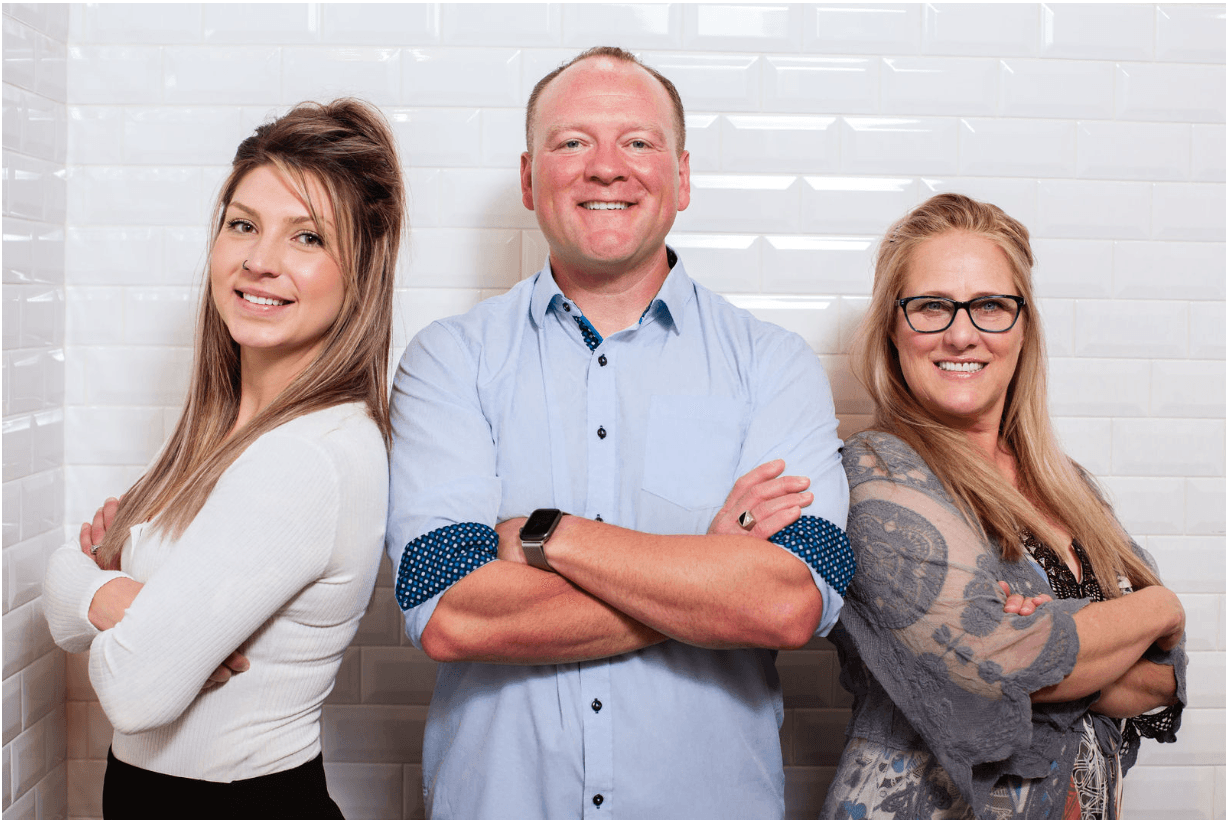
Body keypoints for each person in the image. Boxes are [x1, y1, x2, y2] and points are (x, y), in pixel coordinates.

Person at [386, 46, 854, 819]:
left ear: (683, 176)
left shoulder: (772, 365)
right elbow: (449, 608)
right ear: (531, 179)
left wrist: (551, 537)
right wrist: (708, 576)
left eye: (638, 141)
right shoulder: (451, 360)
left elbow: (787, 604)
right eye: (573, 142)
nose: (607, 167)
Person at [43, 98, 405, 819]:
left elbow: (135, 691)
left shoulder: (305, 458)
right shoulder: (226, 435)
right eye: (242, 225)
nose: (259, 261)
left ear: (360, 269)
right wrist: (107, 594)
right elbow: (60, 590)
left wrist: (95, 592)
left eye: (307, 238)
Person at [822, 193, 1186, 820]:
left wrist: (1053, 639)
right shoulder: (878, 473)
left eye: (990, 305)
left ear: (1023, 327)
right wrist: (1158, 607)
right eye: (931, 306)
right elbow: (994, 665)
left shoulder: (1067, 485)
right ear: (892, 329)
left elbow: (1167, 678)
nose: (961, 333)